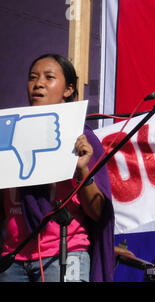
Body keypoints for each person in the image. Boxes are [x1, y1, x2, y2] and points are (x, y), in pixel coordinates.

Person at [0, 54, 115, 282]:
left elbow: (98, 212)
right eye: (32, 78)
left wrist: (83, 170)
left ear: (68, 89)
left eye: (49, 77)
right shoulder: (8, 137)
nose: (38, 83)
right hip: (13, 258)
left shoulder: (82, 139)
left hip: (65, 255)